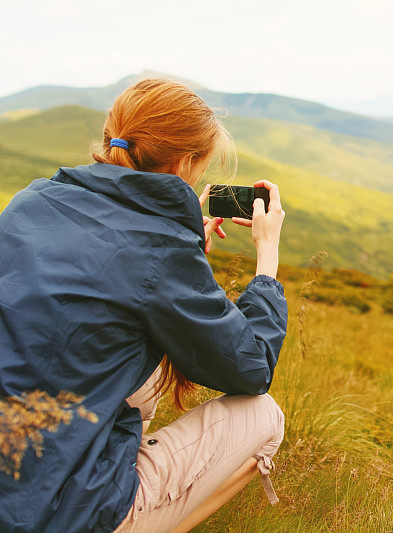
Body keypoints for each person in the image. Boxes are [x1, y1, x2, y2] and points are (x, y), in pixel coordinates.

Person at [0, 78, 288, 532]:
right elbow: (250, 368)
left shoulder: (32, 198)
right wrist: (266, 258)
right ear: (183, 162)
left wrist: (180, 241)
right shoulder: (160, 247)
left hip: (14, 452)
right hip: (55, 510)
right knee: (264, 415)